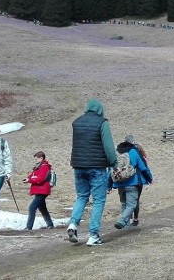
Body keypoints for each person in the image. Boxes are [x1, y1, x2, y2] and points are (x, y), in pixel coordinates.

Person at [67, 98, 117, 246]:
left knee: (81, 196)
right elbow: (108, 146)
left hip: (78, 166)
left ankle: (73, 224)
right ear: (100, 110)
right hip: (97, 167)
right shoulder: (102, 123)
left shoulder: (77, 122)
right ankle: (93, 235)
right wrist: (114, 163)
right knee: (98, 200)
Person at [109, 136, 153, 230]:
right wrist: (149, 178)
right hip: (132, 182)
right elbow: (143, 167)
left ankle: (126, 226)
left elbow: (111, 169)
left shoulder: (116, 153)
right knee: (132, 204)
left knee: (124, 203)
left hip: (120, 182)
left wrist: (109, 185)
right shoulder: (133, 151)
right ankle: (122, 221)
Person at [23, 151, 54, 230]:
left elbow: (40, 179)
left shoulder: (44, 167)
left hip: (42, 190)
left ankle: (29, 227)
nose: (35, 160)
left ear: (41, 158)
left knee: (32, 207)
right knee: (42, 208)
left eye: (36, 159)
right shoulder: (39, 167)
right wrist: (29, 178)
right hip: (40, 190)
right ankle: (50, 224)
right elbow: (33, 176)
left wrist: (30, 180)